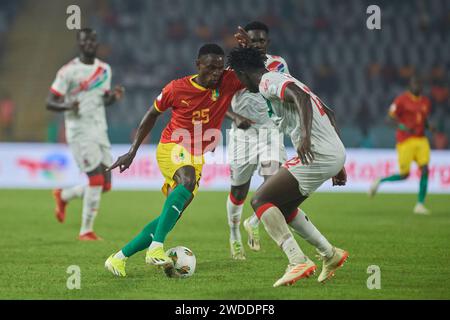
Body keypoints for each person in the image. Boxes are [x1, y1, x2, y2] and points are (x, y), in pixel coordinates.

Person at [104, 44, 252, 277]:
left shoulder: (227, 81)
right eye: (210, 67)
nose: (216, 73)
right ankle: (156, 248)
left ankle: (118, 258)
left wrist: (249, 48)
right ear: (198, 65)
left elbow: (257, 72)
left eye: (220, 68)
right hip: (172, 146)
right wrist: (132, 151)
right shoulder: (177, 88)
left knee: (170, 216)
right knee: (187, 181)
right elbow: (152, 114)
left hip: (196, 157)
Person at [228, 46, 348, 287]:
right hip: (330, 152)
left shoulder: (266, 81)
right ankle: (330, 253)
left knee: (260, 201)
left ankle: (297, 260)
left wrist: (305, 135)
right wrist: (338, 162)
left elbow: (301, 98)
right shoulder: (284, 77)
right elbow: (330, 112)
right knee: (282, 207)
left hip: (318, 152)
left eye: (238, 78)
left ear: (242, 73)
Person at [47, 28, 124, 240]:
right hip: (79, 131)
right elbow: (50, 102)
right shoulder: (68, 71)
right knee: (96, 180)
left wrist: (114, 98)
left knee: (105, 185)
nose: (89, 44)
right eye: (84, 41)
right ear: (79, 44)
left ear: (96, 43)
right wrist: (67, 105)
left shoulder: (104, 70)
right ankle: (86, 231)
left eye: (92, 40)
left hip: (100, 129)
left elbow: (104, 99)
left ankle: (63, 195)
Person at [226, 21, 290, 260]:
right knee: (239, 191)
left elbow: (285, 92)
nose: (258, 44)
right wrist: (235, 116)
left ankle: (253, 222)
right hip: (242, 136)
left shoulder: (278, 64)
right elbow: (218, 101)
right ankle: (234, 235)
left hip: (270, 131)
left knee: (274, 184)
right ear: (246, 42)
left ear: (268, 42)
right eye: (253, 41)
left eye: (261, 40)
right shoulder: (235, 67)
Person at [369, 76, 433, 214]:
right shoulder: (401, 100)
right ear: (410, 85)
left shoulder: (425, 101)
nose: (417, 86)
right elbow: (389, 118)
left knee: (426, 169)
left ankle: (420, 204)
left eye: (419, 83)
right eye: (415, 83)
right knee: (405, 175)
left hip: (421, 139)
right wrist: (403, 127)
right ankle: (381, 180)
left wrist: (429, 126)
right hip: (405, 140)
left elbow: (423, 118)